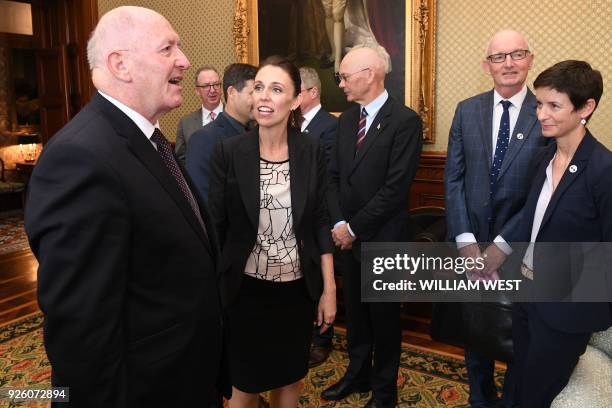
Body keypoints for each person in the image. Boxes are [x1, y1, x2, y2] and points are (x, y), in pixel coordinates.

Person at [24, 6, 227, 407]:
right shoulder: (80, 158)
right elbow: (82, 335)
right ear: (121, 64)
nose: (184, 61)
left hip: (186, 377)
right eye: (168, 48)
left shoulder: (147, 140)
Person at [208, 56, 336, 408]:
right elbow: (216, 228)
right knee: (244, 386)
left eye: (276, 89)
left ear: (295, 100)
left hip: (297, 292)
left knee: (290, 379)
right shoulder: (229, 152)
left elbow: (320, 220)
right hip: (245, 292)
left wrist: (329, 289)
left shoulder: (310, 149)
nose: (264, 97)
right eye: (259, 87)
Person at [443, 29, 546, 408]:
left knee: (517, 336)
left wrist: (501, 247)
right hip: (469, 246)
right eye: (499, 57)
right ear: (486, 65)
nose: (508, 64)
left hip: (519, 249)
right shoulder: (466, 109)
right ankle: (479, 399)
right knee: (476, 334)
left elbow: (543, 193)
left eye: (516, 54)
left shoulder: (545, 113)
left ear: (530, 59)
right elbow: (452, 178)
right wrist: (466, 241)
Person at [323, 44, 422, 408]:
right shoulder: (347, 120)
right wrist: (338, 223)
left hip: (383, 240)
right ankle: (357, 375)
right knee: (357, 317)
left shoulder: (405, 121)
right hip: (346, 238)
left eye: (345, 76)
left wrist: (353, 228)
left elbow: (395, 190)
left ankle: (384, 393)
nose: (342, 84)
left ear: (370, 74)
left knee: (384, 322)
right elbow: (332, 177)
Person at [513, 60, 612, 407]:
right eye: (539, 104)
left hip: (566, 313)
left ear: (586, 107)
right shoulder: (540, 159)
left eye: (554, 105)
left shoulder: (604, 170)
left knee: (537, 395)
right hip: (527, 296)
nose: (541, 114)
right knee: (518, 382)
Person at [298, 66, 338, 367]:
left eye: (296, 90)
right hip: (292, 217)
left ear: (312, 92)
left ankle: (323, 338)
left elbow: (325, 178)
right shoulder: (290, 124)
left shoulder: (329, 126)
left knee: (321, 279)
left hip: (317, 215)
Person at [186, 63, 257, 202]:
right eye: (253, 92)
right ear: (232, 92)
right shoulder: (203, 139)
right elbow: (203, 200)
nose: (259, 99)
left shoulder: (256, 133)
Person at [175, 65, 224, 164]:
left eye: (216, 84)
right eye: (206, 86)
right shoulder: (185, 124)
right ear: (197, 91)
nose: (212, 90)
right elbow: (181, 161)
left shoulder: (236, 116)